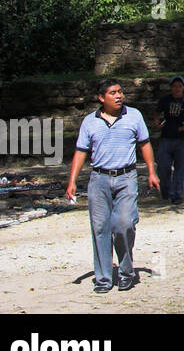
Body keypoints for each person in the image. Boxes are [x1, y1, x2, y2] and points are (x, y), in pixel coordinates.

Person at [66, 80, 161, 294]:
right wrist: (72, 180)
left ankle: (126, 272)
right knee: (100, 229)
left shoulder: (134, 116)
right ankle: (103, 278)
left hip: (126, 177)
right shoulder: (90, 122)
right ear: (101, 98)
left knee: (124, 224)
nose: (118, 96)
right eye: (112, 93)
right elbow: (81, 151)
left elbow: (144, 144)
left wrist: (152, 172)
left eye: (120, 92)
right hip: (99, 180)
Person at [154, 75, 184, 206]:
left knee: (179, 168)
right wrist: (157, 122)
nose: (177, 88)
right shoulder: (165, 100)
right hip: (166, 137)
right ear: (171, 87)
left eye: (180, 86)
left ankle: (176, 194)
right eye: (175, 86)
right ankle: (166, 189)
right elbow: (157, 114)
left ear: (183, 87)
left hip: (181, 138)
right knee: (163, 167)